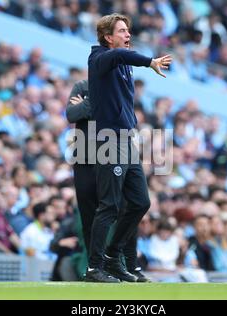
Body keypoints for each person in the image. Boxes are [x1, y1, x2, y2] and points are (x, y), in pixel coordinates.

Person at [84, 13, 172, 283]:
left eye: (128, 30)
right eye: (121, 31)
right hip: (108, 139)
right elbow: (119, 56)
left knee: (140, 202)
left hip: (126, 140)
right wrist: (150, 62)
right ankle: (94, 268)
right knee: (109, 205)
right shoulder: (100, 58)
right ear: (108, 37)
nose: (127, 35)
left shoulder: (122, 61)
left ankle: (112, 256)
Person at [66, 79, 150, 282]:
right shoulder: (82, 86)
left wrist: (87, 105)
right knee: (88, 215)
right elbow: (71, 115)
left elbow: (127, 120)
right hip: (86, 157)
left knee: (125, 208)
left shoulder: (121, 86)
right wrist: (97, 102)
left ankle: (129, 264)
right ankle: (95, 267)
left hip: (114, 154)